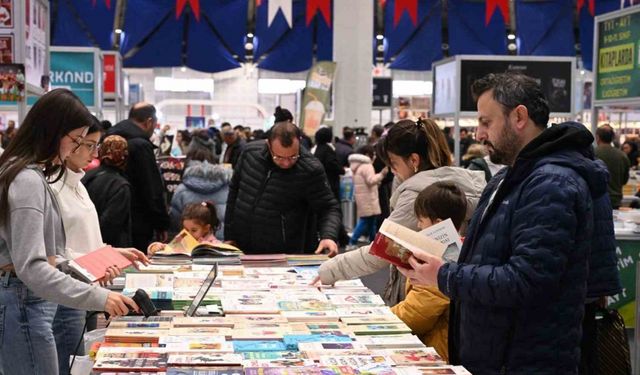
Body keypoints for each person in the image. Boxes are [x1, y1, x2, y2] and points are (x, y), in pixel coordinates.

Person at [399, 72, 610, 374]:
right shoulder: (508, 177)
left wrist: (445, 275)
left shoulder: (550, 184)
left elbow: (528, 280)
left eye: (486, 122)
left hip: (523, 360)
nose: (479, 133)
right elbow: (494, 256)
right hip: (496, 354)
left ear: (519, 117)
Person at [0, 89, 138, 374]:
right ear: (52, 132)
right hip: (23, 302)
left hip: (28, 301)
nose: (74, 150)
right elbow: (32, 267)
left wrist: (79, 268)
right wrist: (100, 297)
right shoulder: (27, 179)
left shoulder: (30, 175)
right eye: (76, 141)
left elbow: (44, 256)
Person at [314, 119, 486, 306]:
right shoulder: (456, 181)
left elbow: (380, 250)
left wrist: (329, 270)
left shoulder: (418, 193)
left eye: (394, 164)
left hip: (421, 296)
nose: (393, 171)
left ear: (414, 160)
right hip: (454, 296)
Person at [50, 118, 149, 374]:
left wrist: (111, 253)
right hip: (66, 293)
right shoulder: (49, 187)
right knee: (67, 365)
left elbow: (84, 238)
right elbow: (53, 253)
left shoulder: (79, 184)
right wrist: (95, 263)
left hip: (87, 288)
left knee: (79, 361)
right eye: (89, 145)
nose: (94, 154)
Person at [225, 121, 341, 256]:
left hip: (283, 254)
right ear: (268, 145)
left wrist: (328, 235)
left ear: (299, 143)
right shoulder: (249, 154)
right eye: (279, 157)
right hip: (241, 246)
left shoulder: (310, 169)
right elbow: (234, 192)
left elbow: (329, 208)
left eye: (292, 156)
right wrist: (229, 235)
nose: (286, 163)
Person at [390, 181, 467, 362]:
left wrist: (380, 320)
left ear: (438, 224)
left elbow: (416, 315)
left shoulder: (441, 261)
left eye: (422, 220)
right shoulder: (462, 248)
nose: (418, 225)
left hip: (438, 351)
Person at [107, 103, 170, 251]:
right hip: (138, 222)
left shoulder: (110, 138)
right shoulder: (141, 146)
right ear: (148, 122)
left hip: (113, 219)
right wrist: (161, 224)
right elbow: (151, 188)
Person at [83, 135, 134, 248]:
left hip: (84, 244)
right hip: (110, 251)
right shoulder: (120, 185)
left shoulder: (86, 176)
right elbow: (111, 226)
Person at [170, 150, 232, 240]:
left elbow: (175, 220)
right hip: (222, 243)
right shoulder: (228, 188)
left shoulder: (181, 190)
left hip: (189, 244)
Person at [348, 145, 387, 248]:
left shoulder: (357, 166)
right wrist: (382, 174)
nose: (374, 156)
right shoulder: (367, 166)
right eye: (373, 154)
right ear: (367, 154)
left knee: (370, 222)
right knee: (365, 221)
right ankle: (352, 241)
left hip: (363, 198)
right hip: (369, 198)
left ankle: (373, 242)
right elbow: (371, 180)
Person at [149, 201, 221, 255]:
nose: (188, 234)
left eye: (194, 230)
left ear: (206, 228)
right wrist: (155, 247)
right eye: (186, 230)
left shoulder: (215, 245)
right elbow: (169, 249)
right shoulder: (182, 239)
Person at [595, 124, 630, 209]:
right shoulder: (622, 155)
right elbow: (624, 180)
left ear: (598, 137)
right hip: (615, 199)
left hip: (596, 199)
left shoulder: (592, 154)